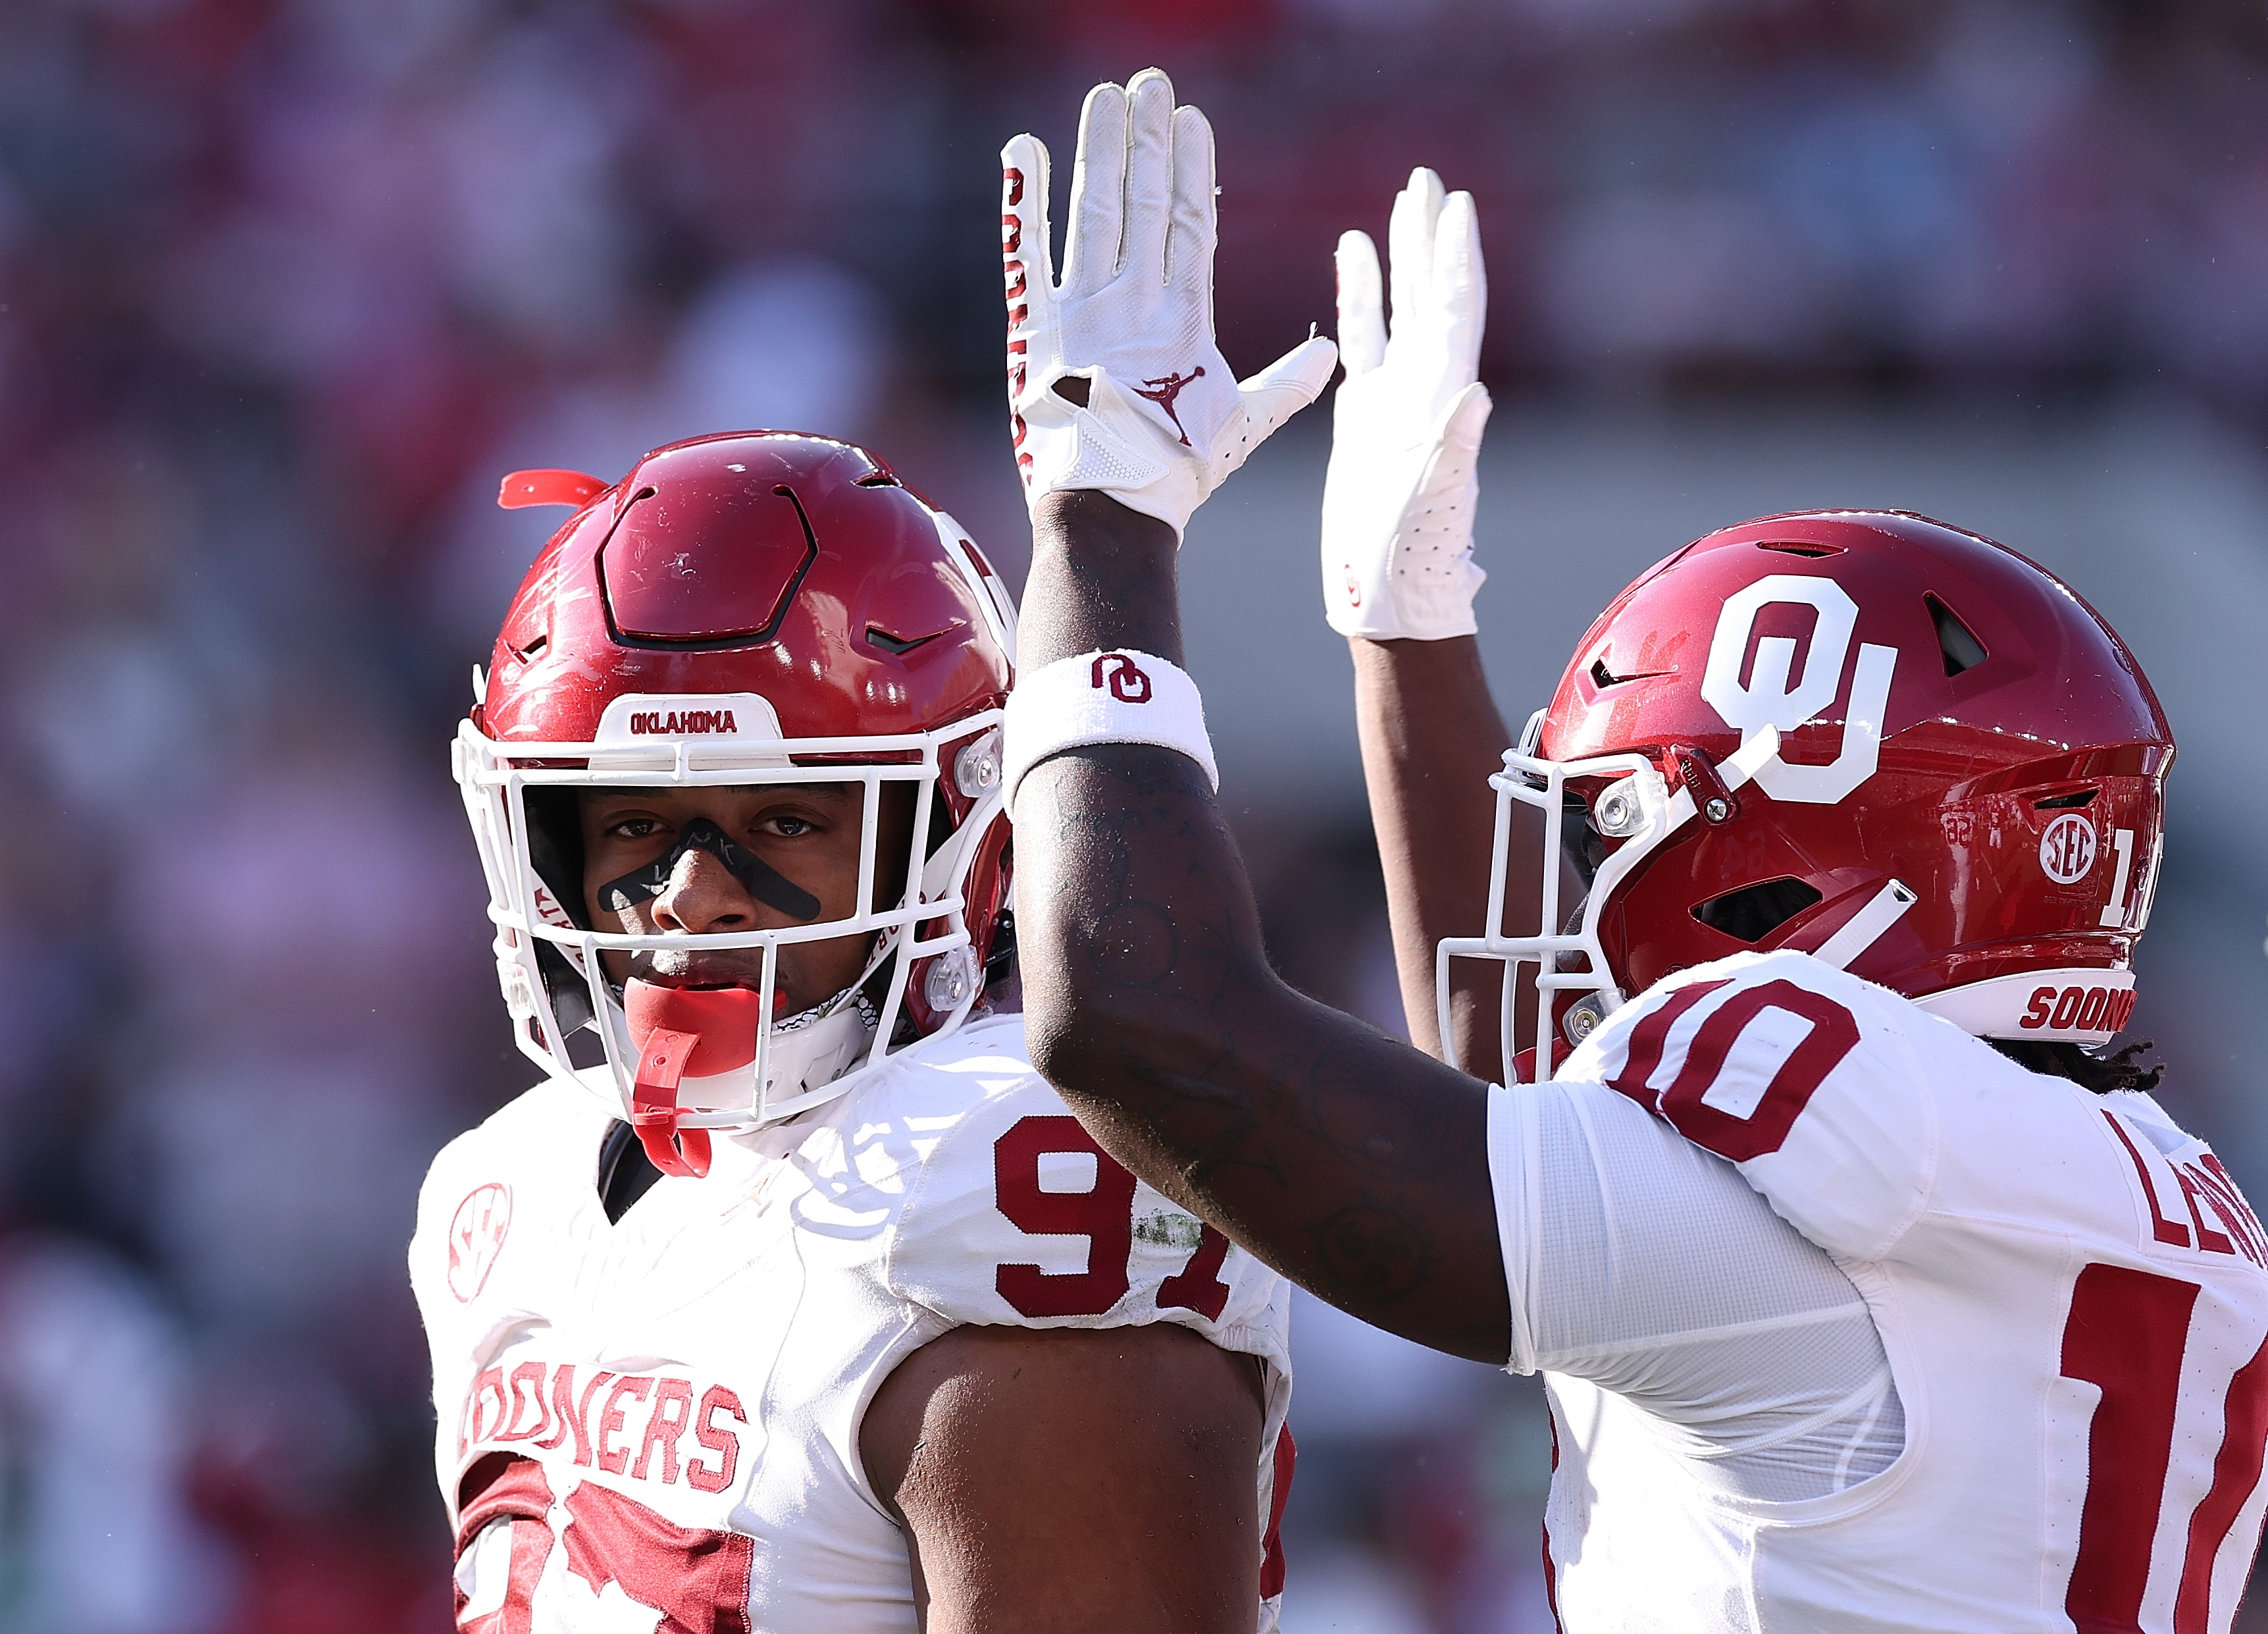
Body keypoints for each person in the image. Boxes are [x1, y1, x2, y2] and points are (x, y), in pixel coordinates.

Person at [998, 68, 2268, 1631]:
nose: (1579, 883)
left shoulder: (1835, 1133)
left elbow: (1139, 1021)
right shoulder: (2151, 1182)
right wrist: (1406, 628)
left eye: (1609, 821)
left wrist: (1103, 525)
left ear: (1789, 860)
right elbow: (1526, 1101)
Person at [408, 432, 1295, 1633]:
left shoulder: (1000, 1178)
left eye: (782, 820)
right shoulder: (505, 1183)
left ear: (957, 835)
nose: (688, 898)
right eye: (632, 824)